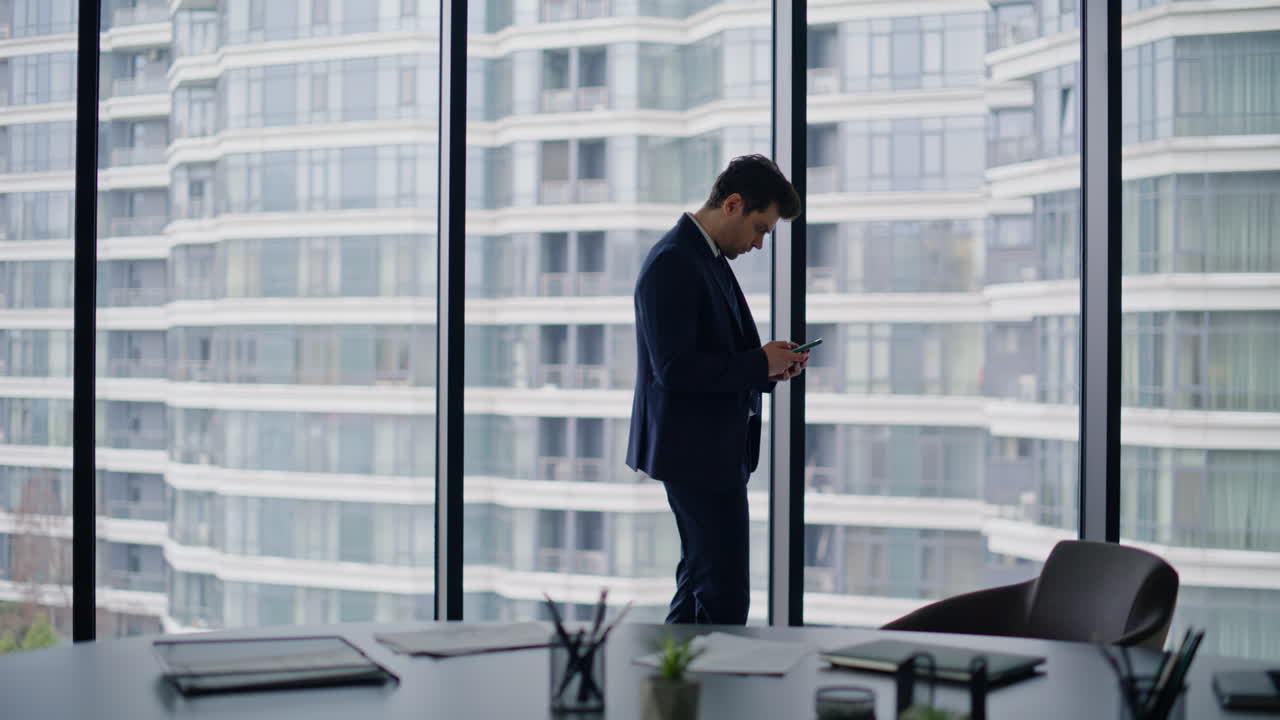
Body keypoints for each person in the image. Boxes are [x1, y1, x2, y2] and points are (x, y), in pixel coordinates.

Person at [626, 154, 805, 624]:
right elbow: (675, 369)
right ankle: (703, 689)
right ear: (733, 204)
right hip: (696, 455)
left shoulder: (704, 256)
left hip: (711, 453)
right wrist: (755, 362)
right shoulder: (673, 262)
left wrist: (767, 368)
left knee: (702, 586)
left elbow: (712, 353)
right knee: (722, 595)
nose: (760, 244)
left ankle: (674, 686)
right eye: (761, 228)